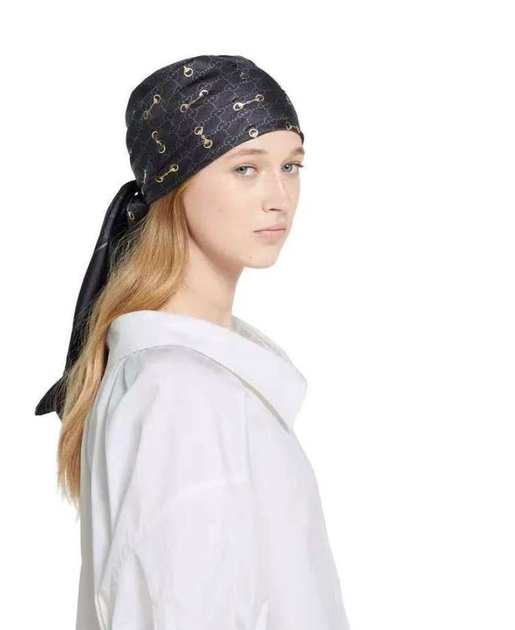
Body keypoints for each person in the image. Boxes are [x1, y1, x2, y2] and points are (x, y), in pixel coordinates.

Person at [35, 54, 352, 629]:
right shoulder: (181, 390)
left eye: (292, 166)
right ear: (176, 184)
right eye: (245, 168)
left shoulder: (188, 371)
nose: (279, 196)